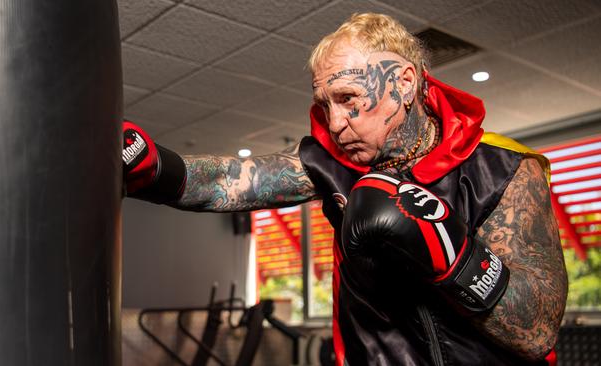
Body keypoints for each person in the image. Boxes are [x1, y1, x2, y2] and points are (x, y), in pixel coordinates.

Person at [122, 13, 568, 365]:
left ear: (405, 83)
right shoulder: (333, 164)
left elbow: (537, 332)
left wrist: (457, 258)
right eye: (325, 104)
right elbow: (228, 182)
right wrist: (153, 166)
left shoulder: (504, 171)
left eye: (349, 99)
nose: (335, 123)